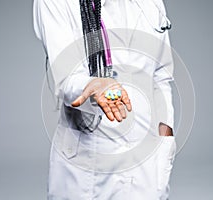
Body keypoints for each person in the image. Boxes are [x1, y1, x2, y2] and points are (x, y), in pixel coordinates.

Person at [33, 0, 176, 199]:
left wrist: (165, 134)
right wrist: (90, 85)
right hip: (88, 159)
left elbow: (161, 75)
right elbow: (66, 77)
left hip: (146, 159)